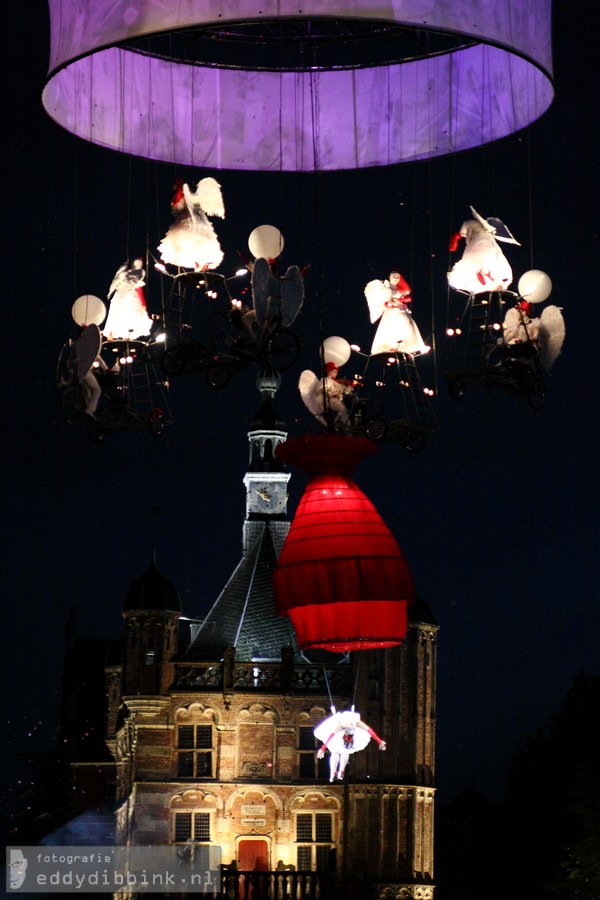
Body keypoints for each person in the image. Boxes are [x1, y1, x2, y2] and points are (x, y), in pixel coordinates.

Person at [364, 270, 430, 356]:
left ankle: (404, 345)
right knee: (392, 327)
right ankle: (393, 345)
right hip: (392, 311)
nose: (395, 278)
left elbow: (408, 298)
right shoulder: (385, 289)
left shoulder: (401, 290)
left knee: (406, 326)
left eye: (397, 276)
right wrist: (390, 303)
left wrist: (400, 300)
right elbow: (384, 301)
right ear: (389, 277)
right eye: (394, 276)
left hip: (401, 311)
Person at [314, 708, 386, 782]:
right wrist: (323, 748)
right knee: (334, 751)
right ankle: (333, 771)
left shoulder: (357, 723)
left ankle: (341, 770)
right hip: (338, 734)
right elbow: (331, 736)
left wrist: (379, 741)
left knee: (345, 751)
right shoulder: (341, 725)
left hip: (349, 734)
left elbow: (369, 731)